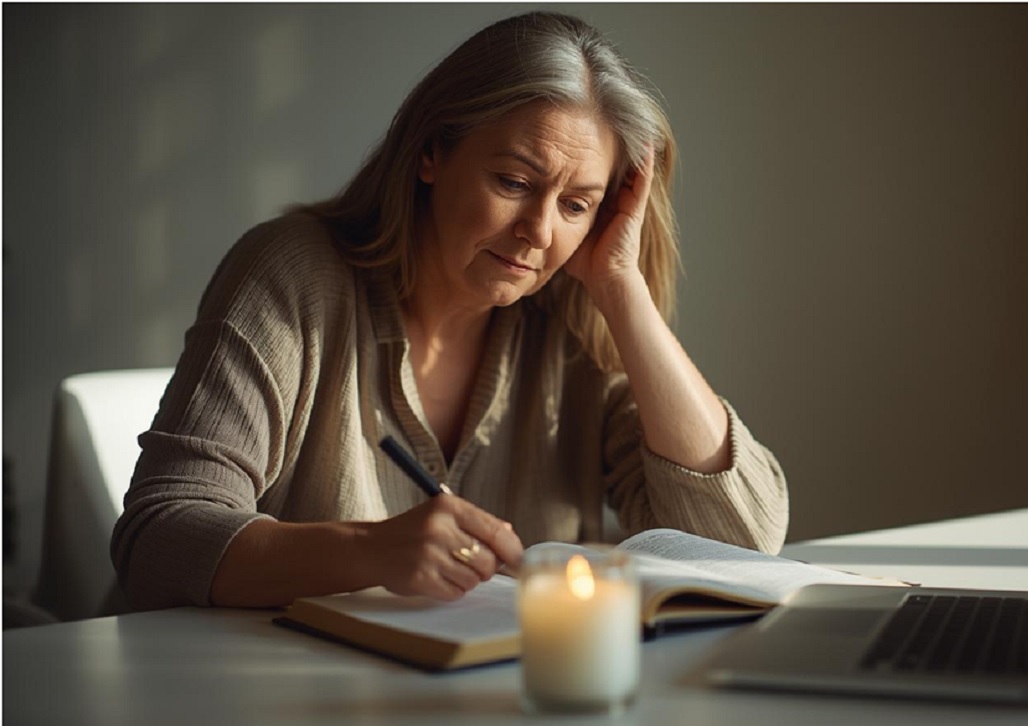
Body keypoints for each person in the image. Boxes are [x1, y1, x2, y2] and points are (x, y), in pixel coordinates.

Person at [110, 11, 788, 612]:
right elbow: (157, 538)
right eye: (515, 182)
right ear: (432, 151)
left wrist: (622, 288)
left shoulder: (573, 325)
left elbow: (740, 546)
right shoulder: (294, 277)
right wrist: (367, 552)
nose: (540, 231)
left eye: (577, 205)